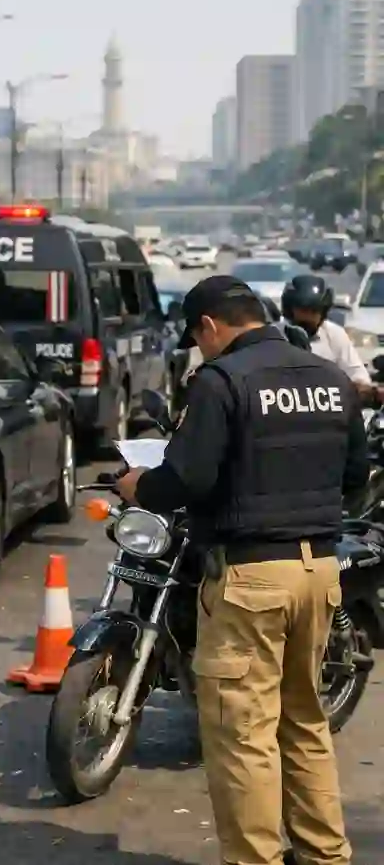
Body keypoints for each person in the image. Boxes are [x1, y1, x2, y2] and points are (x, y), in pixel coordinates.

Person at [114, 275, 364, 865]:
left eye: (198, 339)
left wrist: (136, 485)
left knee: (243, 732)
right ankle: (325, 855)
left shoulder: (222, 380)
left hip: (251, 578)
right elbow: (355, 477)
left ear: (209, 326)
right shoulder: (331, 379)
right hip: (319, 570)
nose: (200, 350)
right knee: (304, 721)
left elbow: (186, 478)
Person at [282, 273, 381, 402]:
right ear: (290, 310)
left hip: (328, 405)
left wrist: (358, 389)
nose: (308, 317)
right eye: (303, 311)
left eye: (314, 311)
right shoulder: (274, 334)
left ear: (323, 312)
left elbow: (357, 374)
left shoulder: (334, 334)